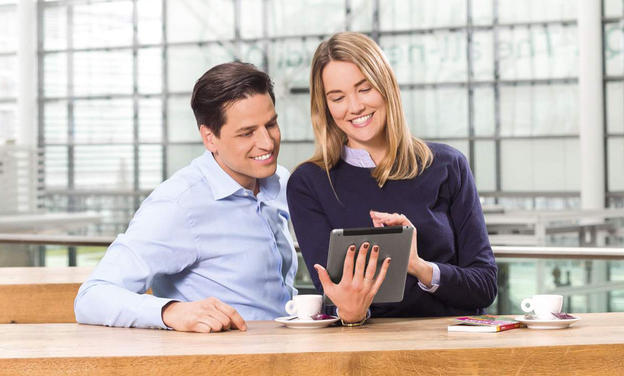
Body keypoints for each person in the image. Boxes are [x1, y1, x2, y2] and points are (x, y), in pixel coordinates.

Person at [288, 32, 498, 325]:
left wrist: (418, 266)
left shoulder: (448, 165)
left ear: (386, 86)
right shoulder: (309, 183)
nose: (355, 106)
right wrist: (351, 310)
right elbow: (333, 298)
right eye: (338, 97)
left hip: (453, 344)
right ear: (326, 106)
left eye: (364, 89)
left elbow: (484, 286)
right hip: (368, 350)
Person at [74, 61, 294, 333]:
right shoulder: (179, 204)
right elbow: (92, 297)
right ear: (210, 138)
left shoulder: (280, 181)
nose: (268, 142)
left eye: (271, 124)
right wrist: (171, 311)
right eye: (247, 133)